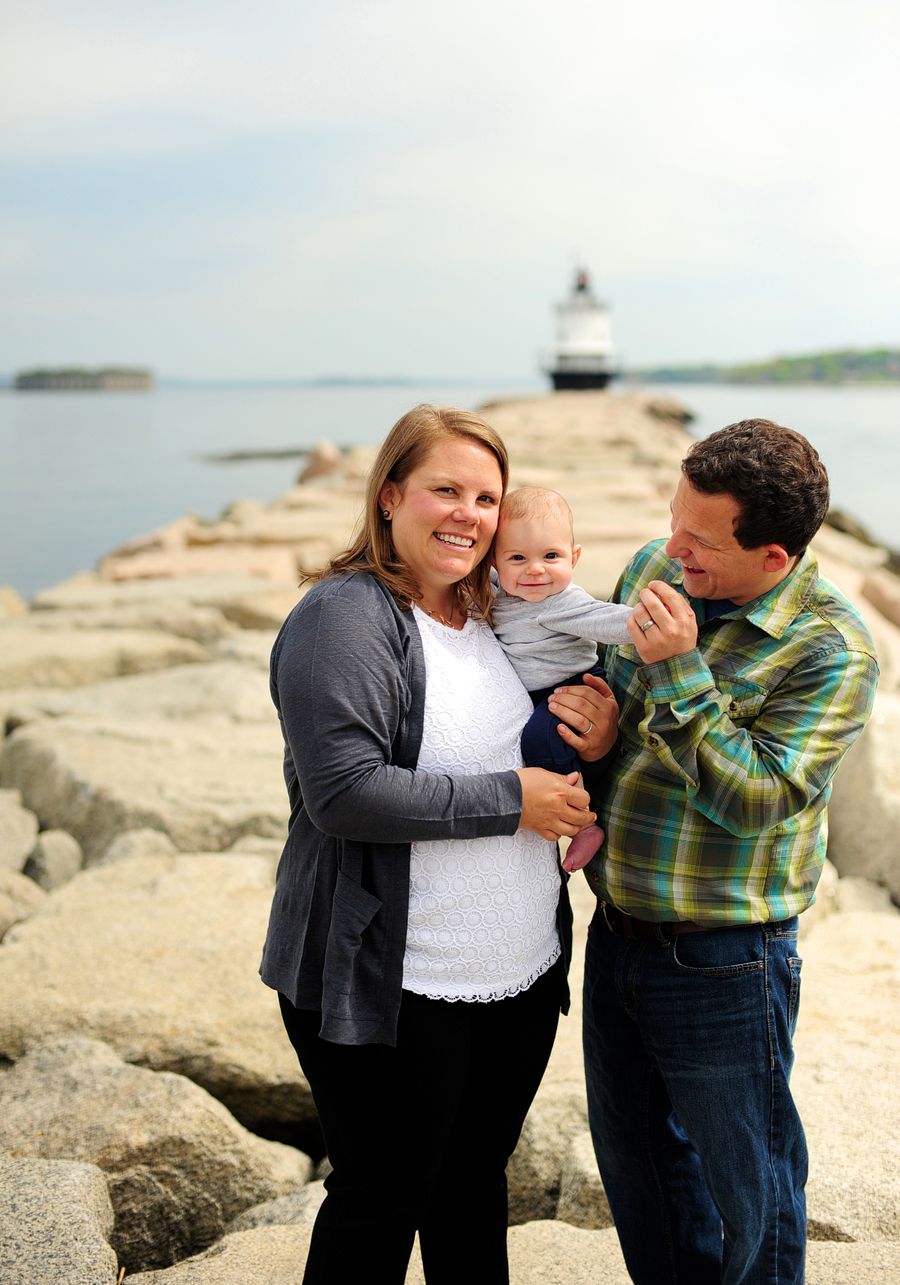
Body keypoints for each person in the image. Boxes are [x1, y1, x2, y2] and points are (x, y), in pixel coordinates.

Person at [260, 404, 619, 1285]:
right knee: (381, 1204)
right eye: (444, 489)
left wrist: (599, 738)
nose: (469, 513)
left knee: (470, 1192)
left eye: (487, 497)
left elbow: (542, 744)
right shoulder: (344, 617)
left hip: (516, 974)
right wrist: (514, 801)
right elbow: (343, 792)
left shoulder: (491, 609)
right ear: (390, 496)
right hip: (394, 982)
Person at [581, 419, 878, 1285]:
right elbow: (608, 701)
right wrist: (596, 730)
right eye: (674, 520)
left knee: (755, 1190)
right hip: (617, 933)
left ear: (774, 557)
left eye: (699, 541)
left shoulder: (833, 649)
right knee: (639, 1172)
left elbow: (758, 800)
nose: (671, 550)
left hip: (725, 960)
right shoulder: (653, 567)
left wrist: (678, 669)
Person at [490, 486, 633, 873]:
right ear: (494, 562)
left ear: (575, 557)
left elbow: (608, 619)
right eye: (517, 558)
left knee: (539, 740)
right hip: (539, 693)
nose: (535, 569)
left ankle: (584, 822)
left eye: (551, 556)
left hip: (571, 687)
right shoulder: (498, 591)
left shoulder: (562, 602)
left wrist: (648, 621)